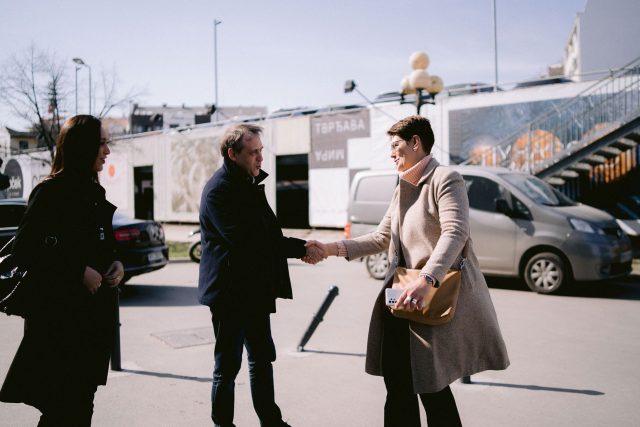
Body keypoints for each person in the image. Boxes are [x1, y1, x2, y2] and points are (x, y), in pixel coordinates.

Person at [307, 115, 510, 427]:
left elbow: (455, 232)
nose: (391, 153)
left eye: (395, 145)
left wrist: (428, 278)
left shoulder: (445, 178)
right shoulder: (402, 186)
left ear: (416, 142)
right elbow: (381, 237)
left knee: (431, 387)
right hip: (401, 298)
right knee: (398, 383)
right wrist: (330, 248)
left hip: (431, 297)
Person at [0, 115, 124, 426]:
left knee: (79, 407)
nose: (107, 151)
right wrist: (77, 271)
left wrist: (116, 264)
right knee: (62, 411)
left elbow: (101, 247)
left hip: (90, 326)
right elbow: (24, 252)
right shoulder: (51, 192)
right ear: (83, 147)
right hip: (60, 327)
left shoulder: (94, 193)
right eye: (101, 143)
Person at [198, 123, 319, 427]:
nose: (261, 158)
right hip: (229, 294)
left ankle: (271, 421)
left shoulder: (247, 183)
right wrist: (300, 248)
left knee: (262, 358)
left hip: (254, 289)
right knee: (227, 367)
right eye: (253, 153)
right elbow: (250, 242)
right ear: (232, 154)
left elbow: (266, 235)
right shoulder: (219, 191)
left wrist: (301, 247)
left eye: (261, 151)